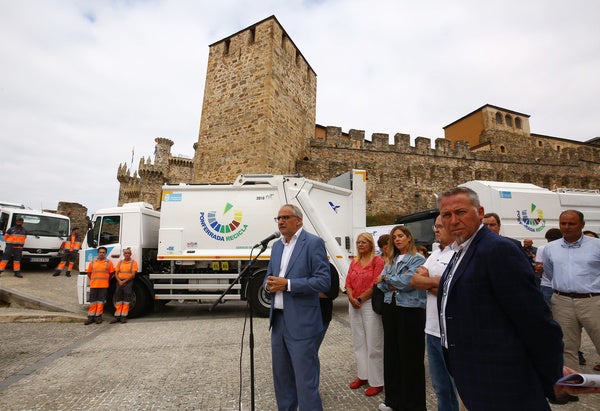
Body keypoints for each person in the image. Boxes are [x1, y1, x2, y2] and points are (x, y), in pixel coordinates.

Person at [437, 187, 598, 409]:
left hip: (502, 379)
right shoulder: (461, 250)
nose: (453, 220)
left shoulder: (497, 249)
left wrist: (552, 374)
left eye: (461, 212)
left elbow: (534, 320)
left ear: (480, 211)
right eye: (447, 215)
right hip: (475, 373)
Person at [264, 204, 330, 411]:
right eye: (278, 218)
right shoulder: (276, 246)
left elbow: (323, 281)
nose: (281, 221)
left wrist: (288, 284)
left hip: (303, 322)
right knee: (282, 379)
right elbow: (270, 274)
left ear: (298, 220)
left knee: (305, 381)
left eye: (285, 217)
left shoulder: (313, 243)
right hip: (279, 321)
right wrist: (268, 284)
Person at [375, 225, 426, 411]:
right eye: (394, 237)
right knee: (392, 356)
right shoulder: (392, 259)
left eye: (400, 236)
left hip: (410, 310)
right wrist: (390, 281)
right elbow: (380, 285)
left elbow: (408, 282)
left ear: (409, 238)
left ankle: (413, 405)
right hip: (391, 308)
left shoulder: (418, 259)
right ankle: (393, 401)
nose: (397, 239)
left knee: (410, 358)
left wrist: (387, 279)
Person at [411, 217, 459, 411]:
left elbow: (455, 288)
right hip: (431, 330)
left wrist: (428, 282)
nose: (435, 230)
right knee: (441, 388)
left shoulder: (458, 253)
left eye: (439, 226)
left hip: (453, 333)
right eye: (435, 226)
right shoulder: (434, 254)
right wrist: (435, 283)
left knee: (460, 388)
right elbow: (414, 281)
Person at [543, 210, 600, 372]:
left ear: (582, 225)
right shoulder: (551, 248)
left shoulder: (596, 246)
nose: (566, 227)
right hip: (562, 301)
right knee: (567, 346)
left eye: (572, 223)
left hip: (593, 301)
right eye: (563, 223)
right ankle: (571, 386)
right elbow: (549, 272)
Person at [345, 232, 385, 397]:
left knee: (374, 342)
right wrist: (351, 297)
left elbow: (375, 283)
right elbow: (347, 282)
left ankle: (377, 381)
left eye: (364, 242)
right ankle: (363, 375)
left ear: (370, 244)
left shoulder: (378, 261)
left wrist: (360, 298)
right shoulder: (354, 261)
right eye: (358, 242)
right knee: (359, 342)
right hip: (353, 303)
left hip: (368, 303)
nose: (360, 245)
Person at [85, 246, 115, 325]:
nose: (101, 254)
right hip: (94, 285)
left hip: (103, 285)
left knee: (100, 302)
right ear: (98, 253)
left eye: (103, 252)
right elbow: (89, 273)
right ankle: (90, 317)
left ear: (105, 253)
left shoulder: (109, 263)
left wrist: (105, 279)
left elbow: (111, 273)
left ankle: (98, 317)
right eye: (100, 252)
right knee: (92, 302)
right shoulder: (92, 262)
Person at [535, 228, 562, 309]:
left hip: (559, 287)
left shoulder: (565, 249)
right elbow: (538, 267)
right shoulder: (542, 249)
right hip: (547, 285)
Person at [110, 247, 138, 324]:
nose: (127, 254)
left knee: (126, 300)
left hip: (128, 282)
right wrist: (119, 281)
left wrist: (124, 281)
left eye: (128, 253)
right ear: (123, 254)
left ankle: (123, 317)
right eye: (126, 253)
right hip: (119, 281)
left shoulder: (133, 263)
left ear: (131, 254)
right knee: (118, 299)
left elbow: (133, 275)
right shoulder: (120, 262)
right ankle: (117, 316)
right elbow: (116, 273)